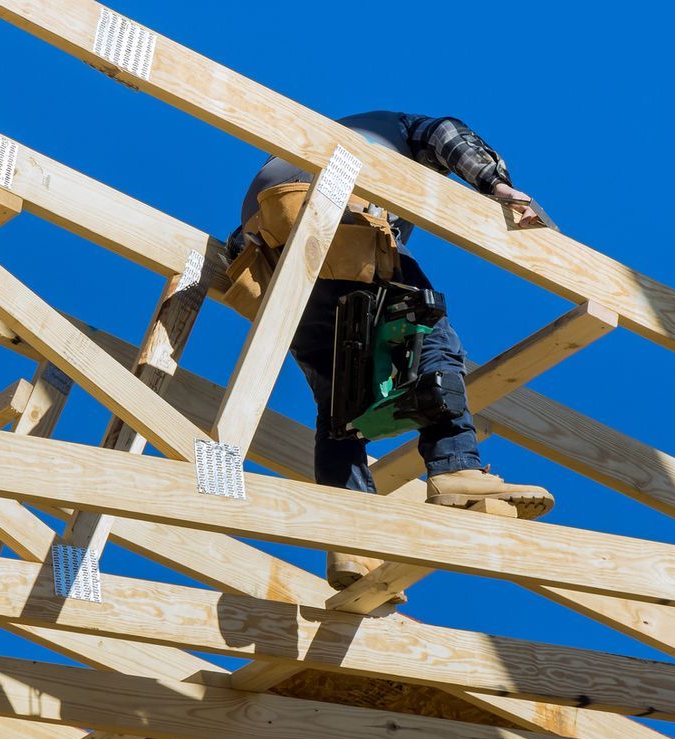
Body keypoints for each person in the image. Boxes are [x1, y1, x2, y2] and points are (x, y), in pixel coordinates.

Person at [225, 110, 555, 593]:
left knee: (339, 408)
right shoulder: (393, 131)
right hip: (342, 220)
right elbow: (445, 134)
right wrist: (500, 187)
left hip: (281, 265)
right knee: (430, 337)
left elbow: (240, 240)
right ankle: (457, 471)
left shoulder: (289, 151)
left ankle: (351, 536)